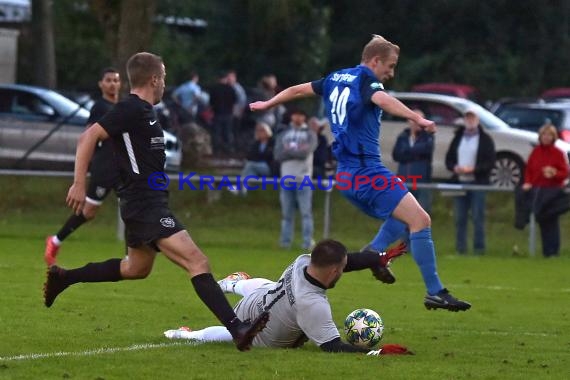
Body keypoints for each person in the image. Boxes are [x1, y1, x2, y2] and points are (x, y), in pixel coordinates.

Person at [42, 52, 268, 351]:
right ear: (154, 79)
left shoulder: (146, 111)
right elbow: (88, 138)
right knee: (197, 261)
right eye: (163, 77)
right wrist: (80, 183)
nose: (165, 83)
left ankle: (65, 277)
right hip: (145, 205)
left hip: (143, 204)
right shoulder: (131, 108)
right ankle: (238, 329)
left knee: (136, 268)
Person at [250, 34, 471, 311]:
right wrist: (416, 117)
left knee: (402, 219)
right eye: (389, 66)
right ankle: (435, 291)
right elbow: (382, 99)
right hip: (368, 171)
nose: (391, 73)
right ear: (375, 61)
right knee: (421, 220)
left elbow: (297, 91)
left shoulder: (335, 78)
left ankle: (374, 254)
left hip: (345, 176)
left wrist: (268, 104)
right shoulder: (367, 80)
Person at [164, 239, 412, 355]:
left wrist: (375, 258)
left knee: (267, 286)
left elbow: (344, 261)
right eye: (342, 269)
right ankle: (187, 333)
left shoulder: (303, 262)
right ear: (335, 271)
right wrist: (376, 352)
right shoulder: (313, 305)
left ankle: (230, 283)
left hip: (259, 300)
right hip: (258, 331)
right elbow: (332, 347)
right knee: (226, 336)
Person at [44, 67, 121, 267]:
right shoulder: (100, 107)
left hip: (123, 168)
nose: (113, 83)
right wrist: (88, 163)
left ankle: (135, 255)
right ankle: (55, 241)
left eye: (116, 80)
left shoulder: (123, 106)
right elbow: (88, 137)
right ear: (101, 84)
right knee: (88, 212)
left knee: (133, 206)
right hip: (105, 167)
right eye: (109, 80)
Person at [445, 109, 496, 255]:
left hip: (477, 183)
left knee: (477, 216)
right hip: (459, 182)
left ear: (478, 120)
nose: (470, 121)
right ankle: (461, 249)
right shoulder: (458, 137)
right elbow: (449, 159)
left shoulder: (486, 139)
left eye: (472, 118)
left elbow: (490, 162)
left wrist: (474, 169)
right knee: (459, 218)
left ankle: (479, 249)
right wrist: (455, 168)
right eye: (467, 118)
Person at [520, 123, 570, 257]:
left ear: (553, 137)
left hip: (553, 191)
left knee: (552, 220)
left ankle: (554, 251)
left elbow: (565, 172)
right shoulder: (535, 152)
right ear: (540, 136)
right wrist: (528, 182)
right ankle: (546, 252)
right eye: (544, 135)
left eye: (549, 135)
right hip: (537, 190)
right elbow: (529, 170)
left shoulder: (558, 153)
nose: (546, 137)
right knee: (542, 219)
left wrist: (554, 173)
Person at [274, 109, 318, 249]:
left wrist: (289, 150)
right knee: (287, 214)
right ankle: (285, 242)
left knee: (306, 213)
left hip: (303, 178)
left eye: (300, 114)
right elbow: (278, 155)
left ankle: (307, 242)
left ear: (304, 117)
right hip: (286, 178)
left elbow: (305, 153)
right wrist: (295, 151)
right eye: (295, 114)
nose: (297, 117)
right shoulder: (284, 134)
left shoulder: (310, 134)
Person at [392, 109, 434, 214]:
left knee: (420, 212)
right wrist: (414, 154)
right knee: (403, 213)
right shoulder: (403, 136)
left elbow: (426, 150)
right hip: (404, 180)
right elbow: (396, 155)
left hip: (420, 181)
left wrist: (406, 151)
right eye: (414, 119)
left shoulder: (428, 137)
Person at [209, 71, 238, 154]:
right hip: (228, 114)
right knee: (228, 133)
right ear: (225, 79)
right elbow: (235, 101)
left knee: (216, 133)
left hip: (217, 113)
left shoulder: (214, 89)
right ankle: (229, 150)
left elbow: (211, 102)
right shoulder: (231, 89)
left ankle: (216, 150)